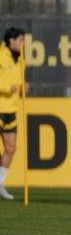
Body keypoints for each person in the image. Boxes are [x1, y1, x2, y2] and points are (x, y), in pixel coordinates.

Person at [0, 27, 25, 200]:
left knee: (11, 148)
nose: (23, 43)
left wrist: (23, 86)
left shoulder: (20, 59)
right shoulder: (1, 56)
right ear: (11, 40)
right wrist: (8, 88)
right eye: (20, 40)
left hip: (11, 109)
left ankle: (0, 184)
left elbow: (18, 81)